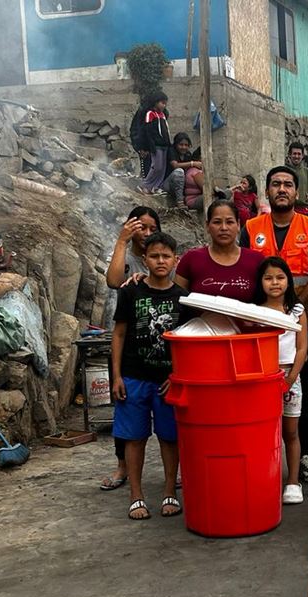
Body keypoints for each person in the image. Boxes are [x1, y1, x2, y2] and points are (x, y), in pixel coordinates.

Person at [239, 166, 308, 482]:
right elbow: (248, 271)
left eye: (288, 184)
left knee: (300, 389)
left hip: (302, 322)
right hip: (262, 328)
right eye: (276, 184)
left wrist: (293, 305)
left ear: (296, 192)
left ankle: (303, 455)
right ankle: (266, 454)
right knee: (261, 393)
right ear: (267, 190)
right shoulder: (250, 227)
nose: (282, 189)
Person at [111, 232, 191, 520]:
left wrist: (179, 375)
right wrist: (117, 375)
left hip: (167, 380)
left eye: (166, 256)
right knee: (135, 438)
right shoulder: (130, 292)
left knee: (170, 438)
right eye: (154, 256)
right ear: (144, 260)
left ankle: (170, 491)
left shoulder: (183, 299)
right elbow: (119, 333)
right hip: (133, 376)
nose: (160, 261)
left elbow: (187, 342)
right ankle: (136, 495)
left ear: (175, 261)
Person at [102, 206, 161, 492]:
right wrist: (122, 240)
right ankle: (123, 465)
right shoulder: (125, 255)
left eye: (152, 228)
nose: (147, 234)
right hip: (127, 339)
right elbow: (113, 280)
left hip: (156, 344)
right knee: (124, 409)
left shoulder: (161, 257)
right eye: (142, 228)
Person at [254, 257, 308, 505]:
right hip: (263, 379)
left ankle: (293, 481)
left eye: (279, 277)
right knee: (265, 433)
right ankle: (267, 480)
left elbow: (301, 347)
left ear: (288, 280)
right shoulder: (254, 311)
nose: (274, 283)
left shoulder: (297, 311)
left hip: (289, 379)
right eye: (268, 278)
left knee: (291, 431)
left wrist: (292, 377)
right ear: (260, 282)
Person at [176, 200, 264, 301]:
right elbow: (177, 300)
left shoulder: (256, 260)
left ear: (238, 225)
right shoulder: (191, 259)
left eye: (230, 222)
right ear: (207, 226)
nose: (224, 228)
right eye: (217, 222)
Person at [137, 92, 170, 194]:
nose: (164, 105)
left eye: (165, 103)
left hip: (164, 145)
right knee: (156, 167)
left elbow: (166, 130)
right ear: (155, 102)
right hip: (156, 145)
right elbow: (148, 131)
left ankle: (156, 187)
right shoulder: (150, 114)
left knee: (162, 169)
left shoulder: (163, 115)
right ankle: (144, 184)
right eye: (162, 103)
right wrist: (150, 146)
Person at [164, 132, 203, 209]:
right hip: (169, 184)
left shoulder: (187, 154)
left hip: (182, 187)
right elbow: (175, 165)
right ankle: (180, 202)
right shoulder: (171, 151)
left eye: (186, 145)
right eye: (181, 145)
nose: (184, 147)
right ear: (176, 144)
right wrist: (192, 163)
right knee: (179, 172)